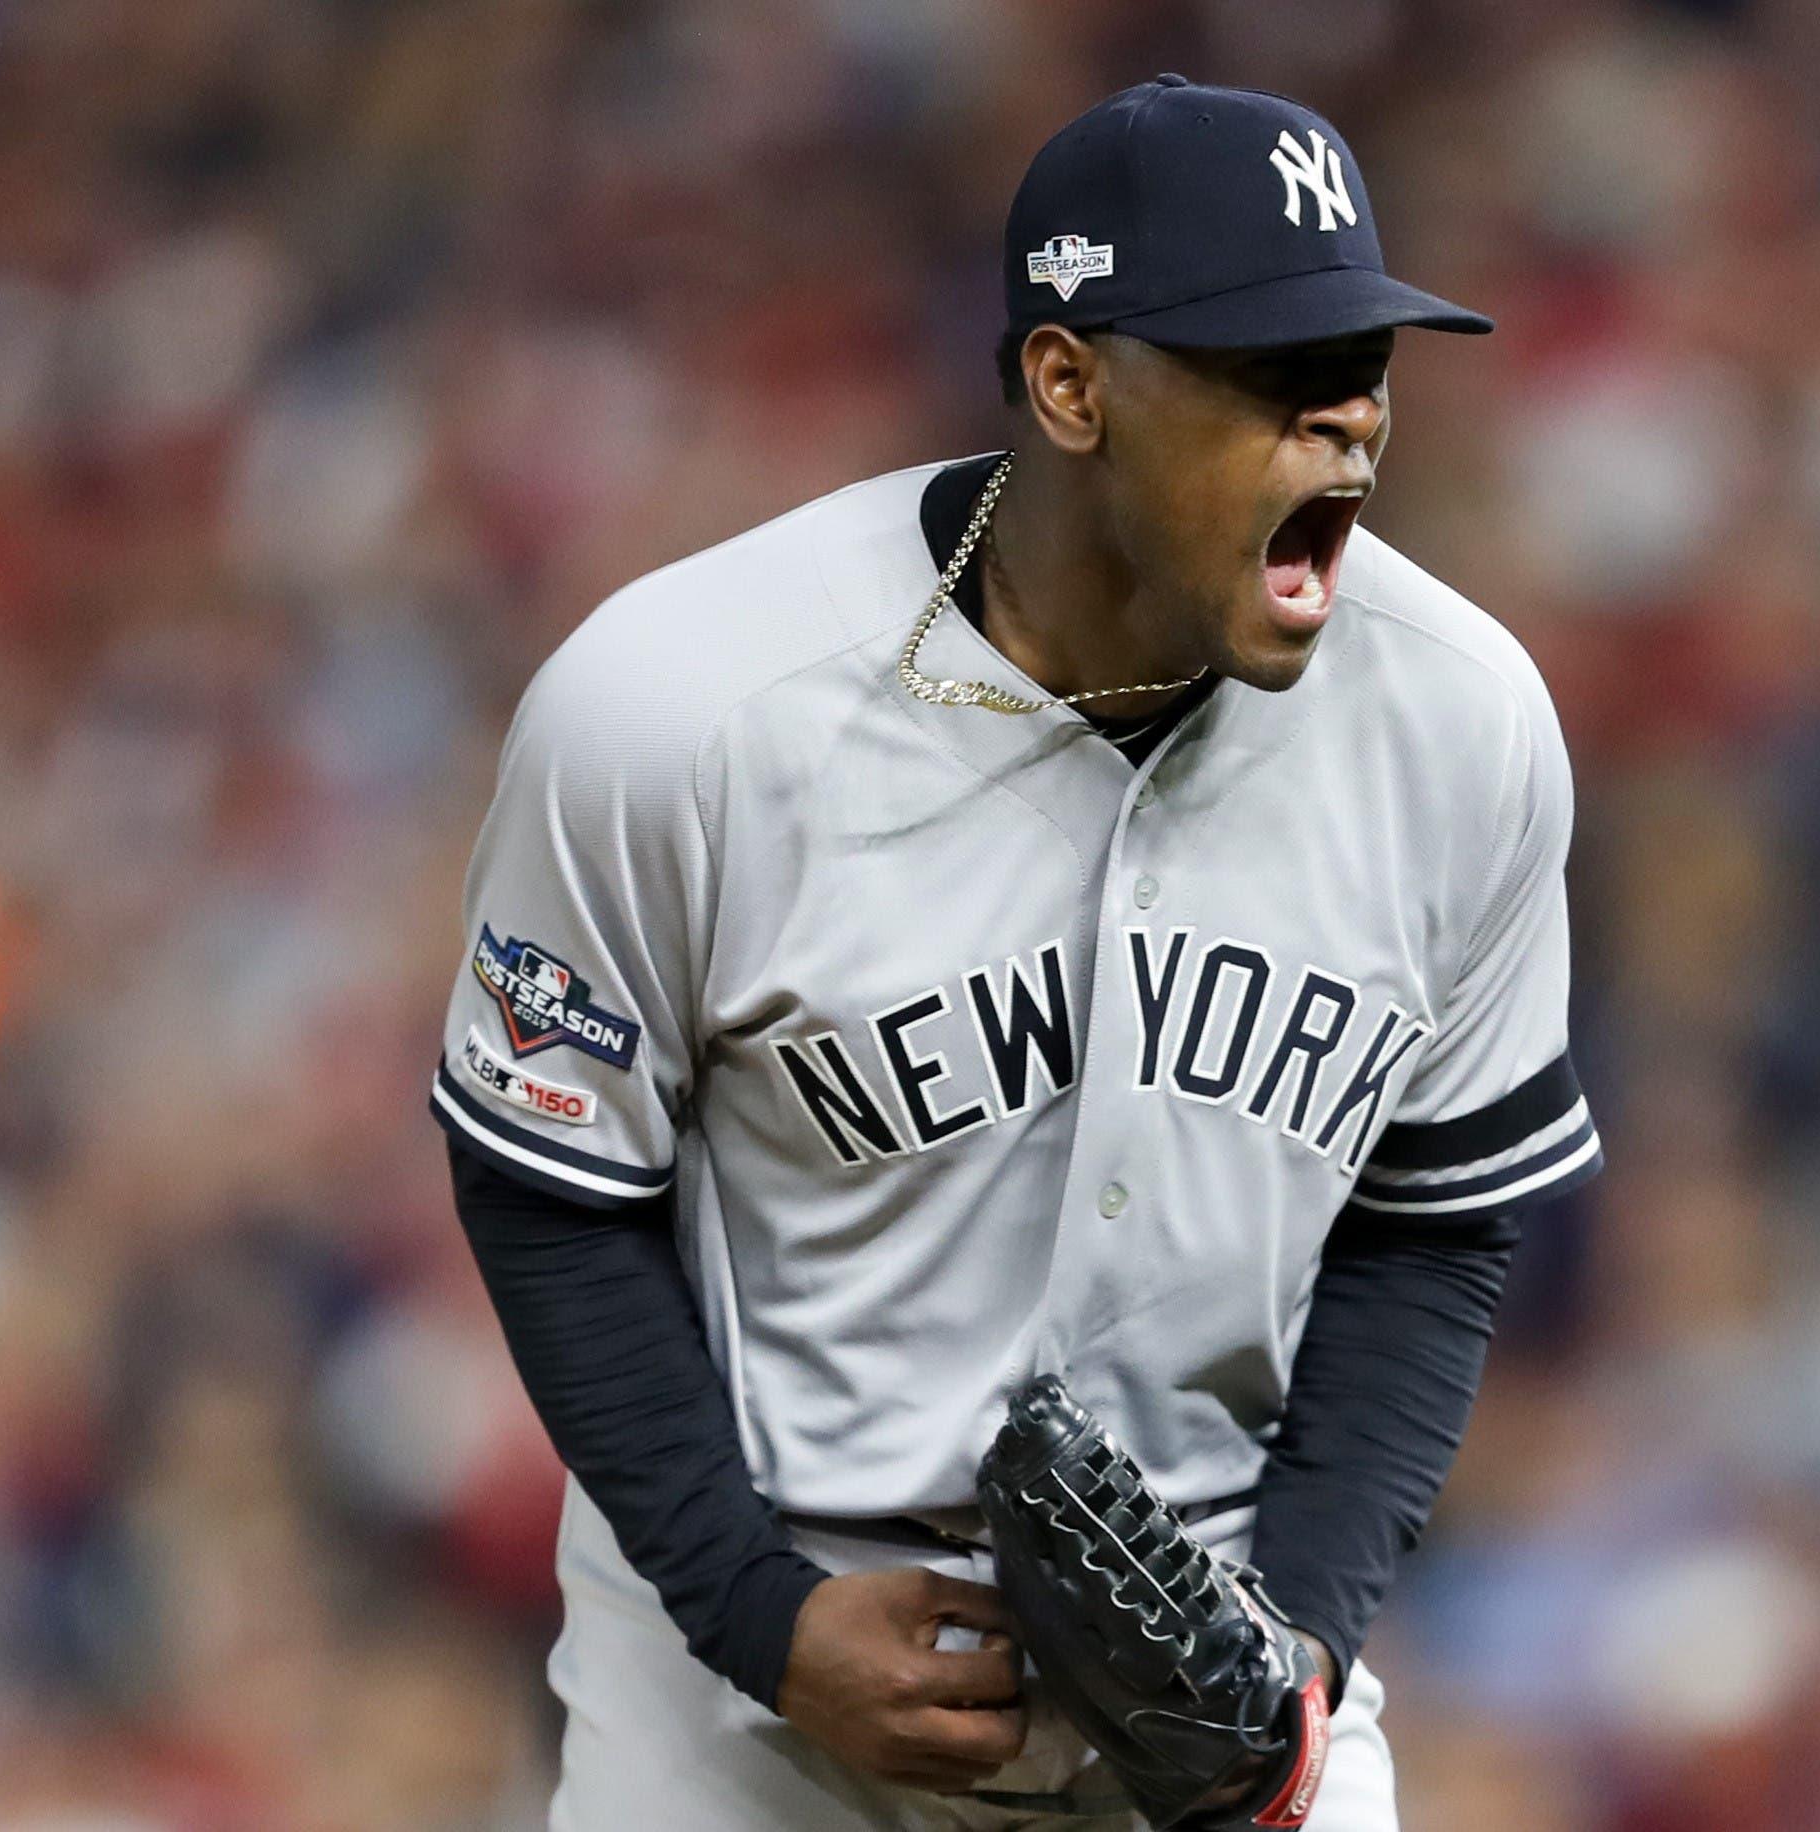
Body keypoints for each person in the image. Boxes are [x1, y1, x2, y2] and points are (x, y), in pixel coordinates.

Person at [430, 73, 1598, 1828]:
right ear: (1069, 382)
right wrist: (759, 1615)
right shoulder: (680, 713)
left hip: (1221, 1666)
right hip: (756, 1701)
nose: (1348, 419)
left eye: (1362, 361)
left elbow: (1434, 1231)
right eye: (1270, 370)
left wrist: (1300, 1642)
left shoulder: (1462, 725)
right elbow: (551, 1189)